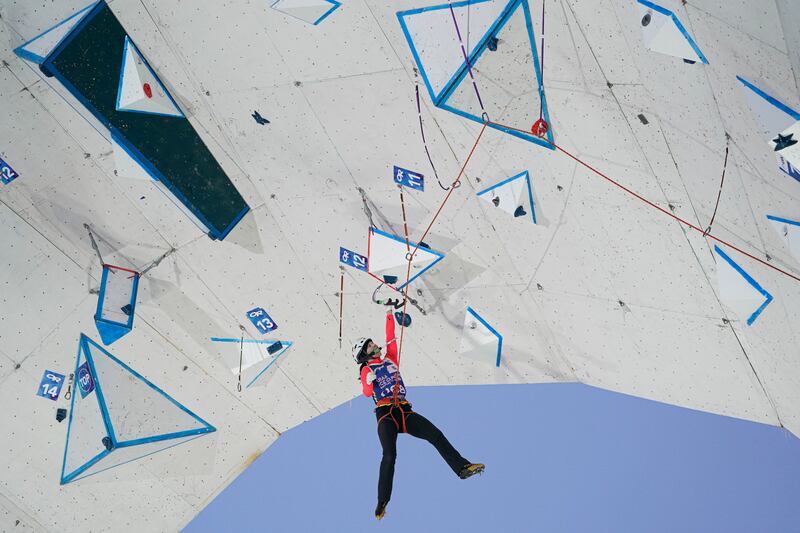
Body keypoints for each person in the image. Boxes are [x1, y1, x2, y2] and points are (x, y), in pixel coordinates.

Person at [352, 310, 485, 521]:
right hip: (385, 414)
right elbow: (367, 393)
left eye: (372, 342)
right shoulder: (366, 368)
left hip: (404, 411)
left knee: (435, 435)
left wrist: (388, 314)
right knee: (389, 455)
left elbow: (391, 339)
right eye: (369, 345)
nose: (374, 344)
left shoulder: (390, 360)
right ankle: (382, 502)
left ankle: (462, 468)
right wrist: (368, 379)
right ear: (364, 354)